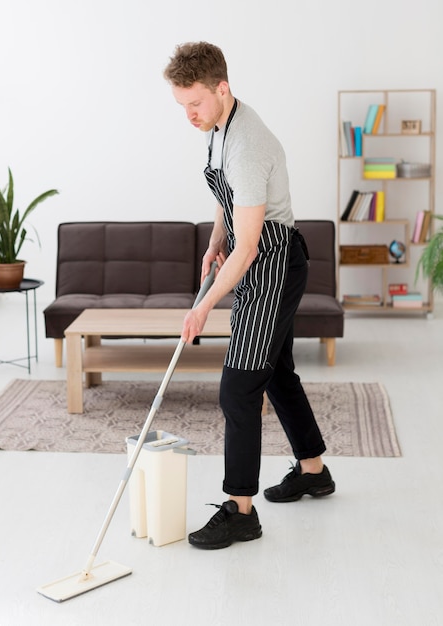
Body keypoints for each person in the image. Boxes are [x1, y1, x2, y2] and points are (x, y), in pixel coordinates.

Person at [163, 42, 335, 550]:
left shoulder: (248, 144)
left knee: (238, 389)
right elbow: (229, 201)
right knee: (276, 372)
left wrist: (201, 307)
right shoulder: (220, 128)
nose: (189, 115)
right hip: (256, 256)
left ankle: (241, 511)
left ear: (222, 88)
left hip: (274, 263)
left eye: (194, 103)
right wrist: (216, 238)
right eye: (181, 106)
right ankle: (314, 470)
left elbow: (251, 250)